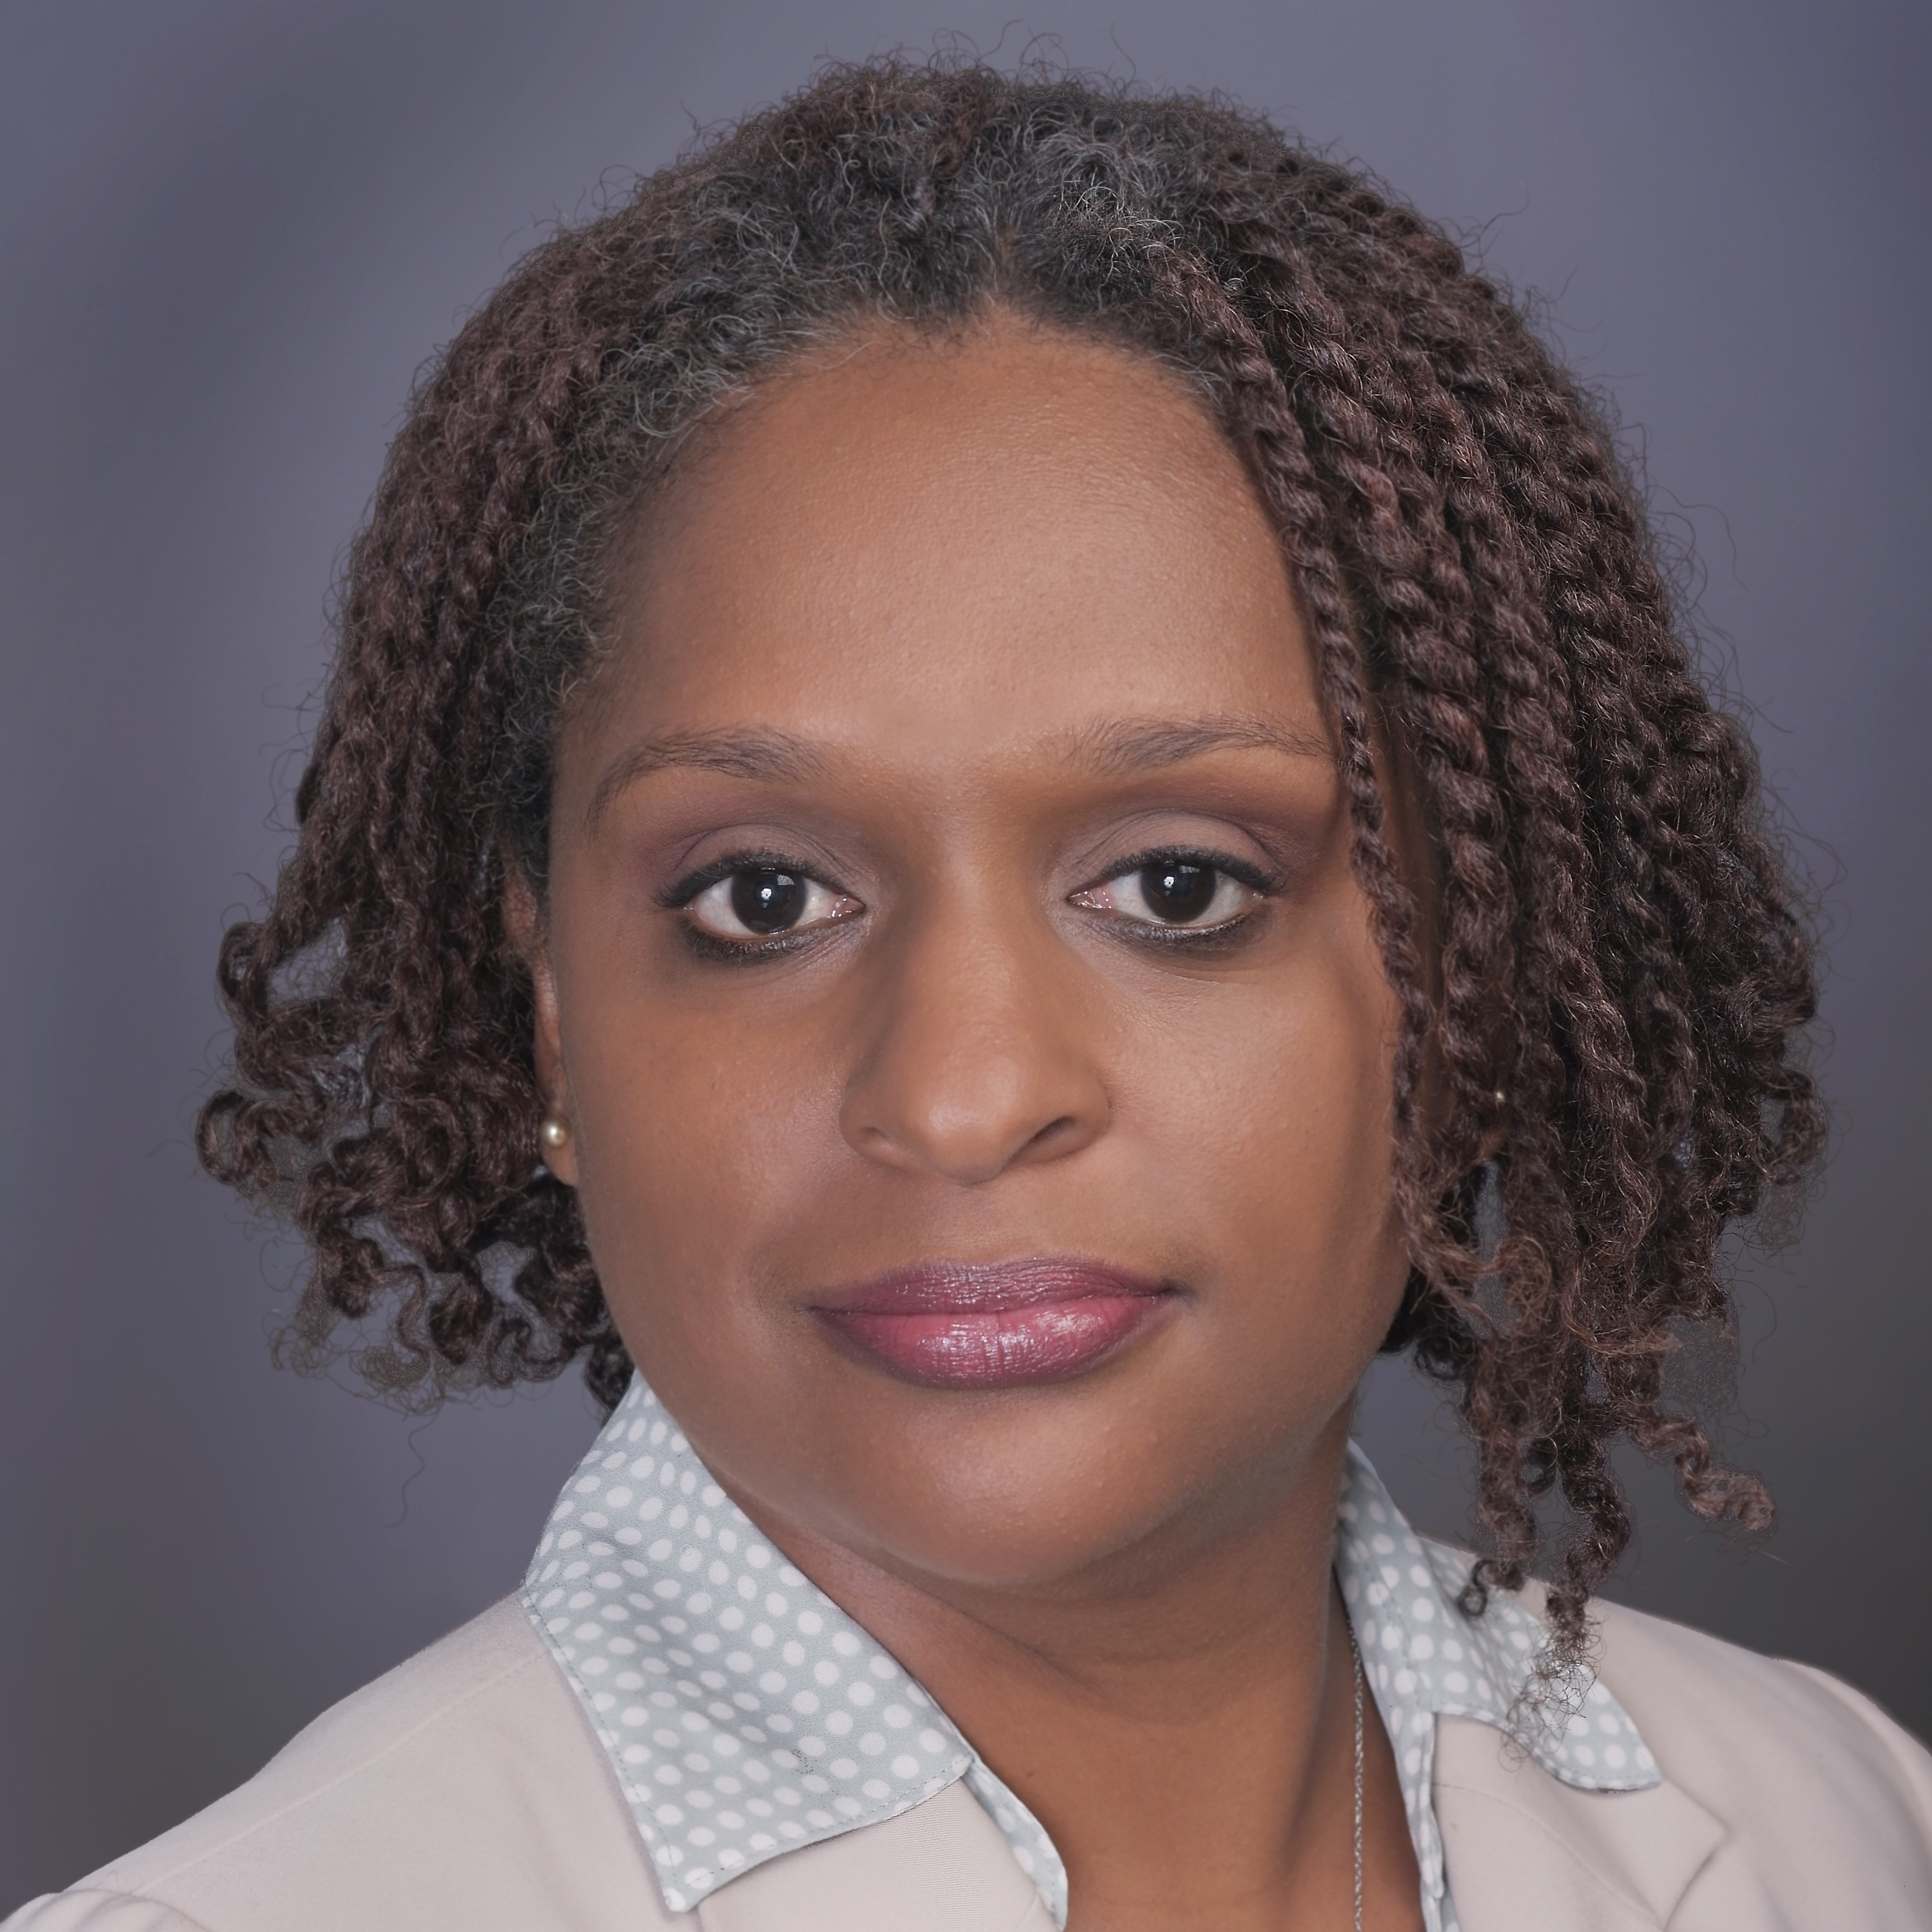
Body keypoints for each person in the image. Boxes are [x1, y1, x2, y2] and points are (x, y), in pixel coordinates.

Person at [10, 57, 1930, 1932]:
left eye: (1178, 886)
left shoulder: (1853, 1830)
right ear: (553, 1008)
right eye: (765, 898)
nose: (962, 1094)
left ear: (1481, 984)